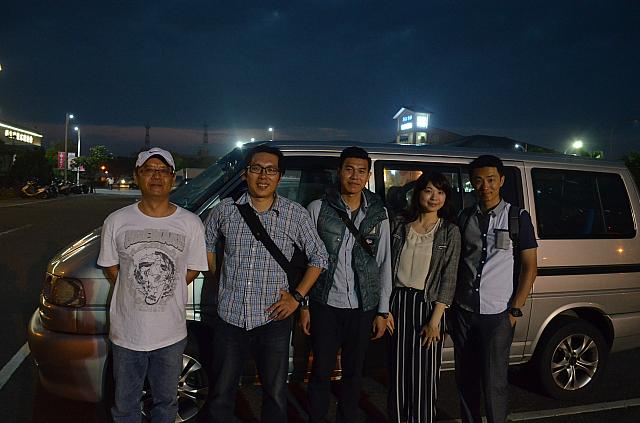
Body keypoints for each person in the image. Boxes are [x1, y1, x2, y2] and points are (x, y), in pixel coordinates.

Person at [204, 144, 328, 423]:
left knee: (275, 393)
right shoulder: (225, 210)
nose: (263, 176)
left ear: (279, 177)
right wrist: (217, 277)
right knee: (221, 393)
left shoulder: (295, 214)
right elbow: (206, 241)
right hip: (230, 316)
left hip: (273, 318)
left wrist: (297, 298)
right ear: (245, 173)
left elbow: (320, 257)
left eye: (271, 170)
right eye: (256, 169)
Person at [97, 147, 208, 423]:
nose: (156, 176)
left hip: (170, 334)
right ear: (137, 176)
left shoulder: (191, 223)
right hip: (127, 333)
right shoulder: (116, 221)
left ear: (172, 177)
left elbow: (193, 267)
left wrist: (167, 286)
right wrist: (136, 286)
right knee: (125, 406)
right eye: (149, 170)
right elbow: (111, 266)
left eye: (163, 171)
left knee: (166, 404)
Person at [302, 146, 393, 422]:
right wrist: (304, 305)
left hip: (363, 307)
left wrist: (382, 310)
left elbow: (384, 263)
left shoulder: (379, 213)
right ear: (339, 171)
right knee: (321, 371)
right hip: (325, 303)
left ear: (368, 175)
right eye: (349, 169)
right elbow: (306, 260)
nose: (355, 176)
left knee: (354, 373)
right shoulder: (317, 208)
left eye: (361, 171)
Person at [451, 155, 538, 423]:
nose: (485, 186)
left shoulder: (517, 217)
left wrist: (514, 310)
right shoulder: (465, 216)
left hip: (498, 314)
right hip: (464, 311)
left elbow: (530, 267)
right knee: (465, 379)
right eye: (478, 181)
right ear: (471, 183)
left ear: (501, 180)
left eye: (490, 180)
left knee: (494, 383)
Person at [388, 172, 461, 423]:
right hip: (399, 303)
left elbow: (449, 278)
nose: (434, 197)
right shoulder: (400, 225)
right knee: (398, 371)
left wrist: (435, 322)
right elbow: (386, 267)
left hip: (429, 306)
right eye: (429, 190)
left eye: (440, 192)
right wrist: (385, 308)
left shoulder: (449, 231)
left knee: (425, 375)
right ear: (418, 193)